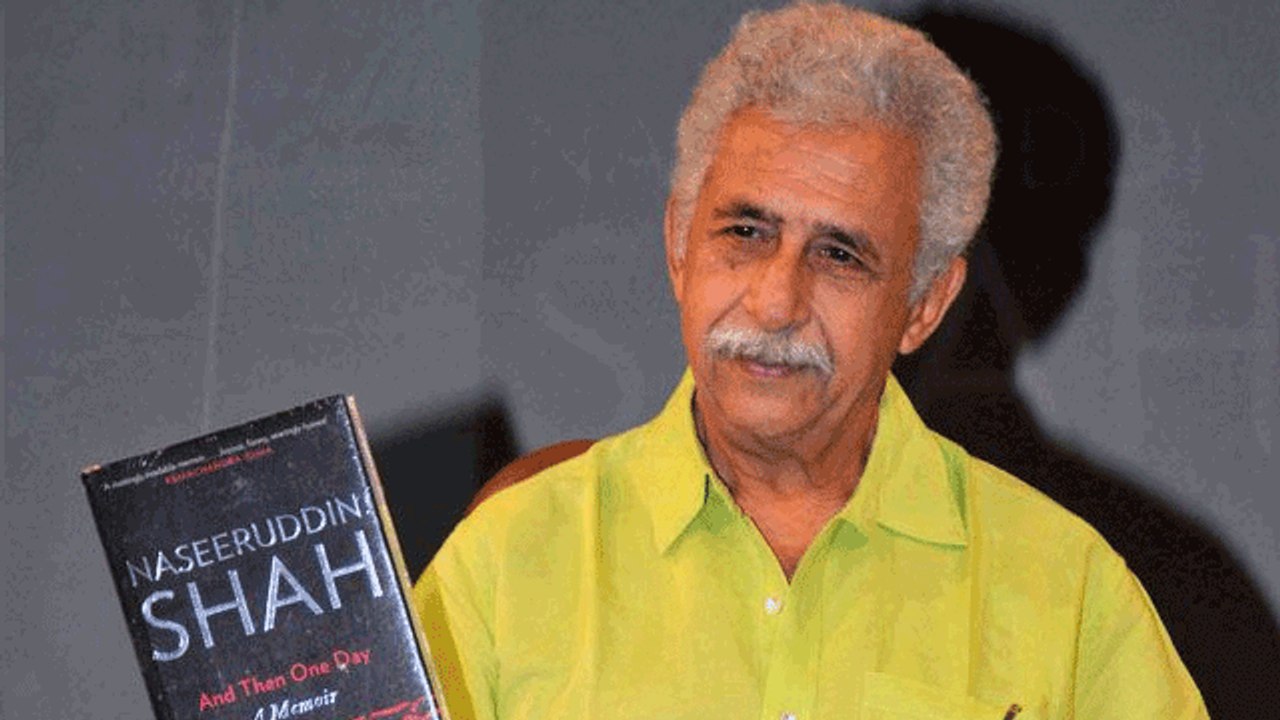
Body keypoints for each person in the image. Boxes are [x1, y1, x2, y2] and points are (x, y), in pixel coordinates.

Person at [413, 3, 1208, 719]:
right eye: (745, 232)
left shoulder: (1067, 596)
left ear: (925, 304)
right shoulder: (504, 565)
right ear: (678, 247)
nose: (775, 302)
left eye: (839, 255)